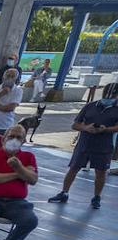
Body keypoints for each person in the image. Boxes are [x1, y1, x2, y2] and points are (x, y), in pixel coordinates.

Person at [47, 82, 118, 210]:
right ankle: (64, 192)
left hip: (103, 146)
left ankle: (97, 197)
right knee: (74, 167)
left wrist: (105, 129)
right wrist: (86, 127)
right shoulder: (90, 106)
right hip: (85, 143)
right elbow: (75, 125)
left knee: (101, 172)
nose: (108, 98)